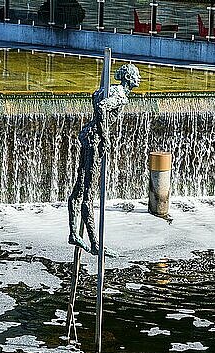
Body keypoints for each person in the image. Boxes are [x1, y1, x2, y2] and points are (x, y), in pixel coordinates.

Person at [68, 63, 141, 255]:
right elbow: (101, 107)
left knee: (79, 185)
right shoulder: (120, 95)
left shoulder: (109, 89)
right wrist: (105, 136)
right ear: (127, 78)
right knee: (88, 194)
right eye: (136, 75)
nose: (139, 79)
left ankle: (73, 234)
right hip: (95, 141)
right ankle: (95, 245)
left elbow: (95, 96)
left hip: (88, 136)